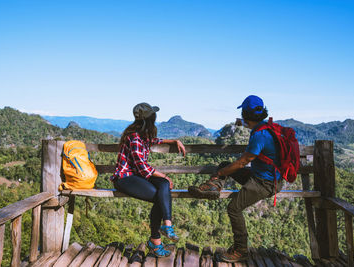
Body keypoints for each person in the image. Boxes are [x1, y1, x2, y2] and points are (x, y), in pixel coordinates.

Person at [188, 95, 283, 262]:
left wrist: (220, 173)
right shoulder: (266, 127)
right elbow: (249, 125)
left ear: (246, 113)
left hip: (265, 183)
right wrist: (241, 122)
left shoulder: (260, 135)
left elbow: (242, 162)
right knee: (225, 164)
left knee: (234, 208)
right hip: (263, 176)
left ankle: (241, 250)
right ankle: (214, 187)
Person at [110, 102, 186, 257]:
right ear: (148, 120)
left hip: (137, 176)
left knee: (164, 185)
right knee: (161, 192)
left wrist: (173, 141)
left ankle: (167, 226)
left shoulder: (143, 135)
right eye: (153, 117)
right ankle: (155, 241)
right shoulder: (134, 137)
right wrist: (165, 175)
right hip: (125, 178)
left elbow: (154, 141)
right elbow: (144, 168)